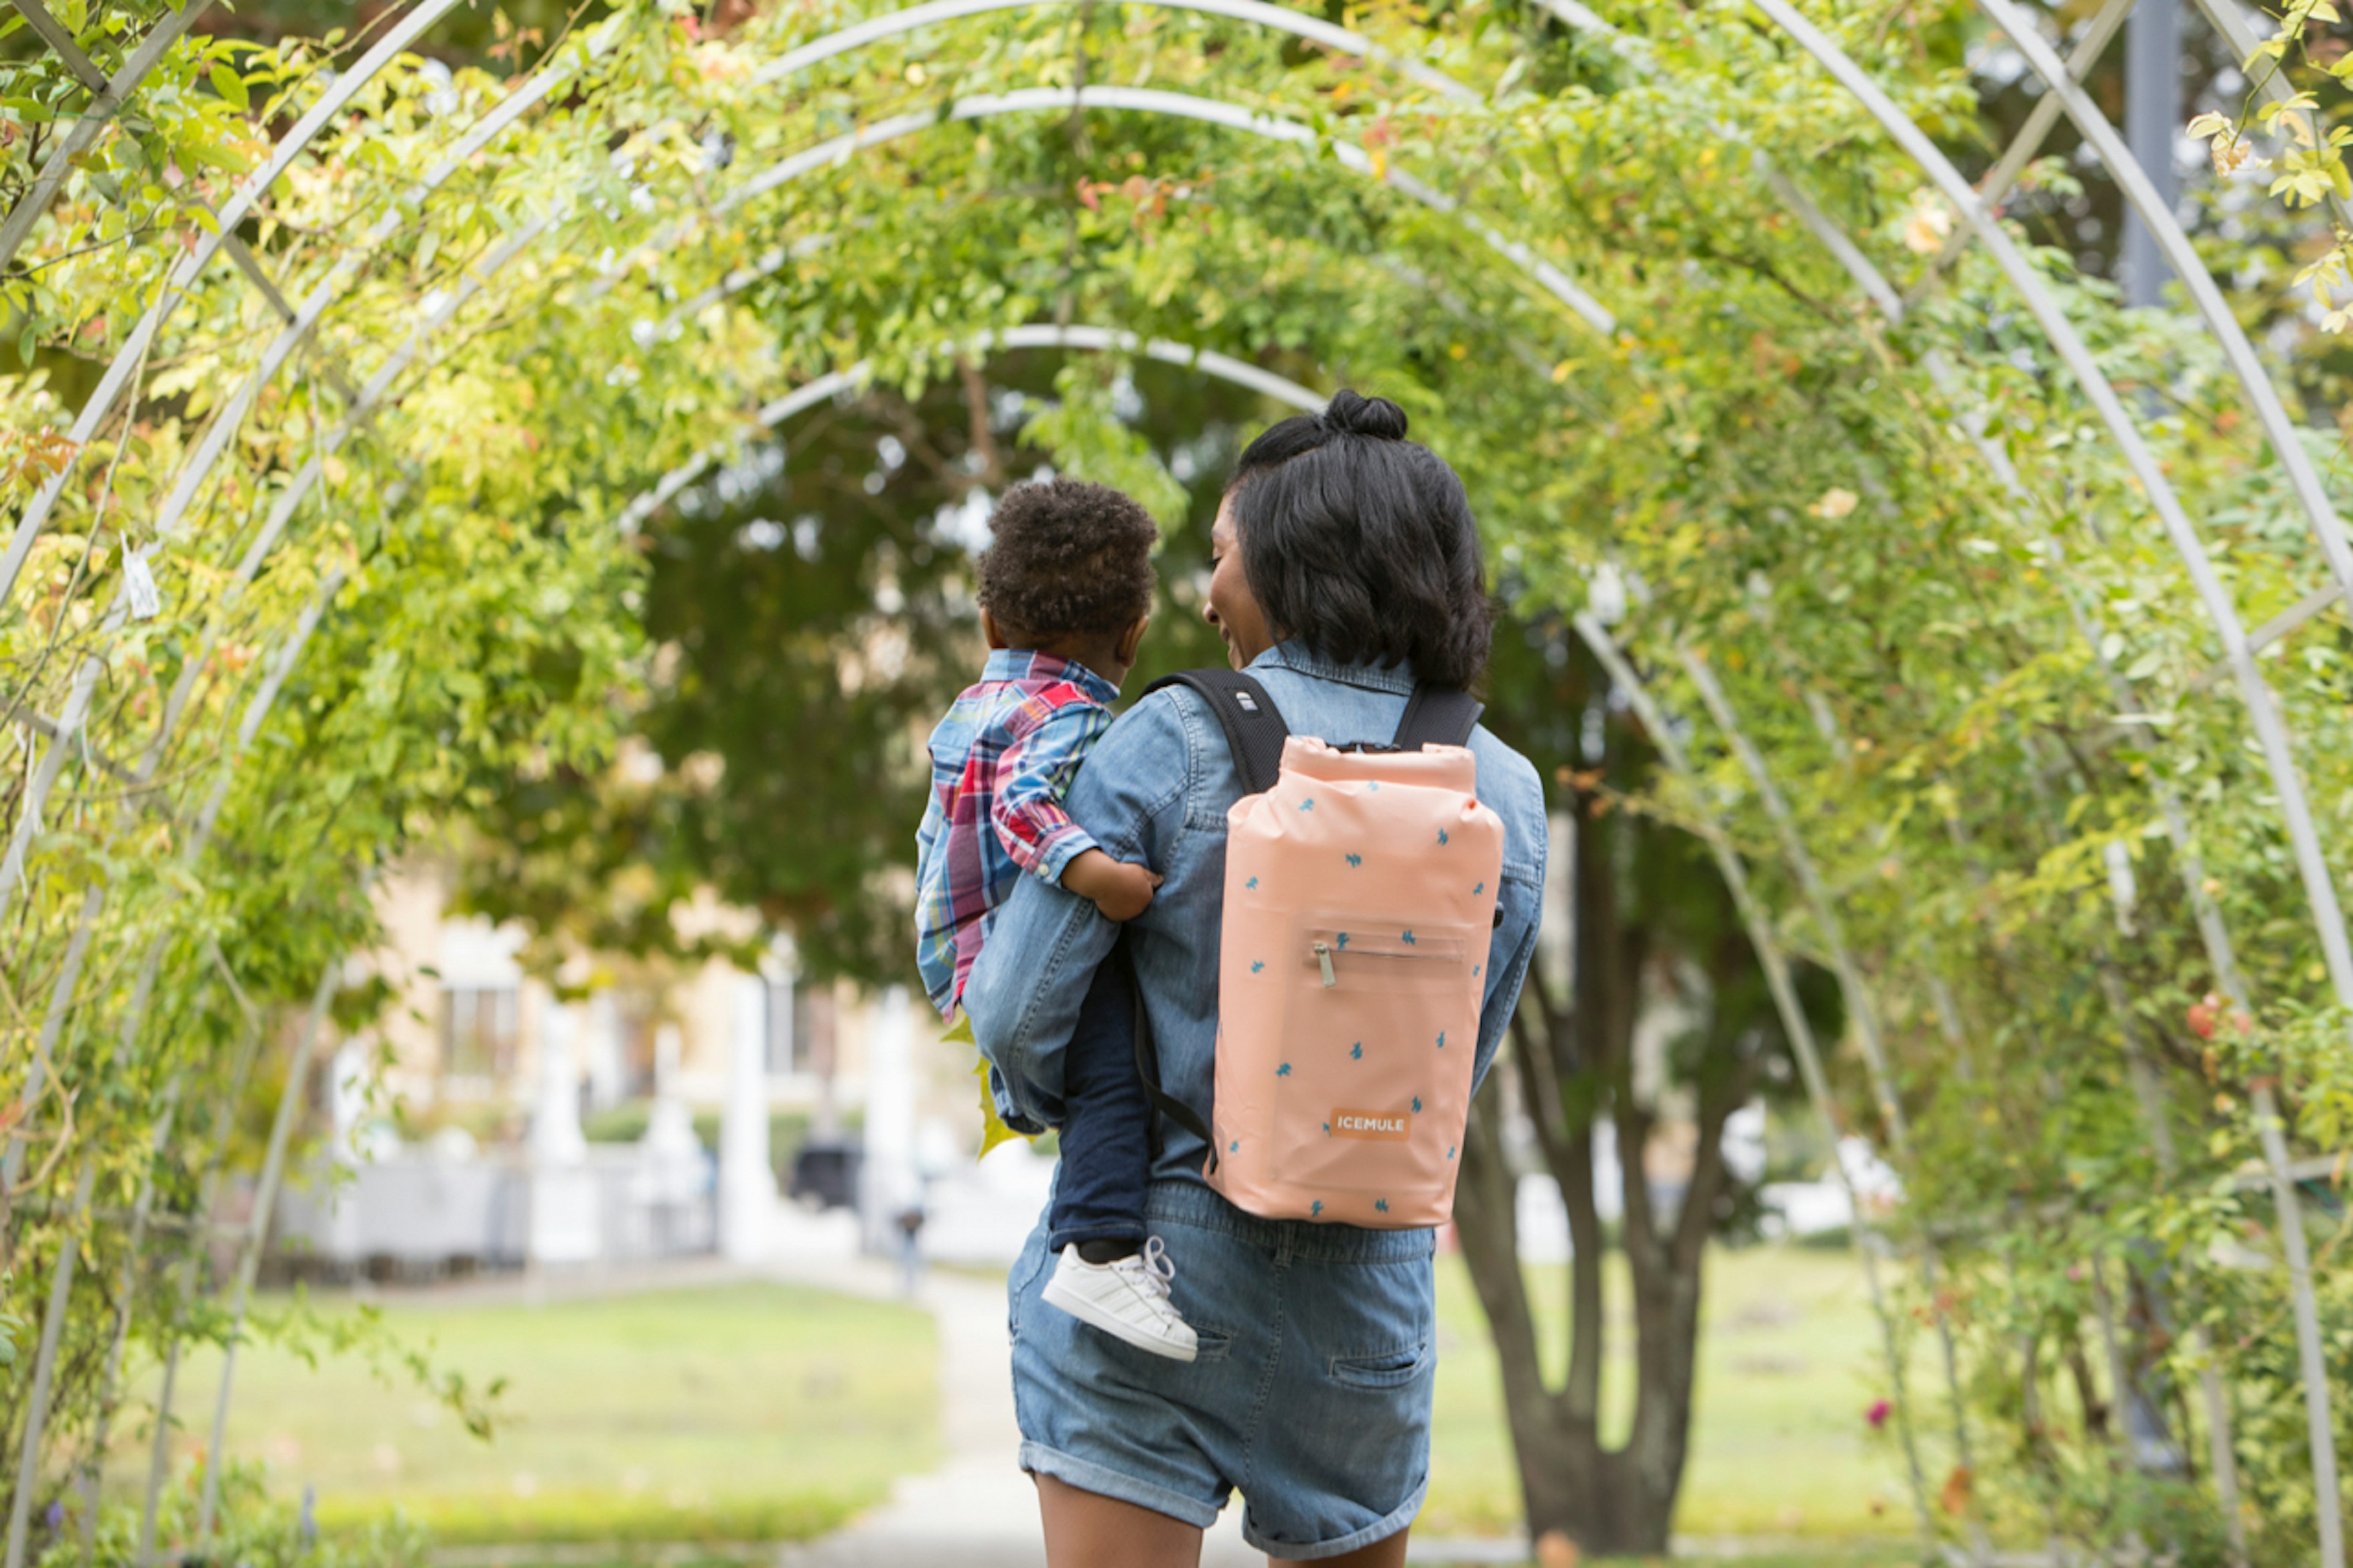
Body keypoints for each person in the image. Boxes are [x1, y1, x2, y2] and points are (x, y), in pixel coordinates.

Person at [965, 390, 1548, 1567]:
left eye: (1223, 558)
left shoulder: (1170, 735)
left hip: (1150, 1254)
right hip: (1367, 1294)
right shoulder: (1501, 784)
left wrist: (1054, 1108)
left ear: (1290, 561)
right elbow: (1460, 1055)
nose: (1205, 593)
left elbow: (1020, 1012)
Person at [914, 476, 1200, 1360]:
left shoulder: (976, 704)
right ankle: (1100, 1246)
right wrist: (1105, 877)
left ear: (992, 626)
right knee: (1112, 1072)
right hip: (1008, 951)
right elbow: (1022, 804)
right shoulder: (1071, 712)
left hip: (958, 947)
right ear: (1134, 636)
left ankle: (1096, 1230)